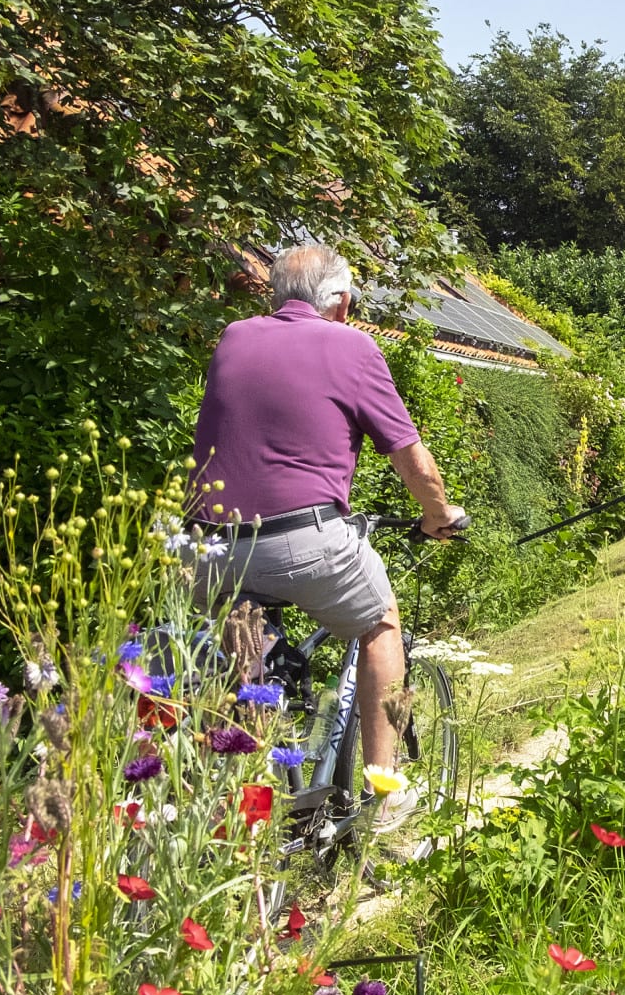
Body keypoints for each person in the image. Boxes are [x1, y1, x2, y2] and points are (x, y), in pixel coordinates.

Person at [187, 244, 466, 831]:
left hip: (206, 547)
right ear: (340, 301)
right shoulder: (351, 345)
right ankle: (384, 795)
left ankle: (233, 805)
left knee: (244, 657)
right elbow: (412, 460)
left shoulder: (234, 336)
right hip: (303, 539)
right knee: (380, 622)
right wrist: (438, 515)